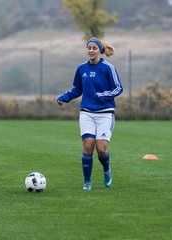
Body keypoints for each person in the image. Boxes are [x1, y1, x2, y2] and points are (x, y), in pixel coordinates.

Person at [57, 37, 123, 191]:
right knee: (88, 145)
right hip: (87, 112)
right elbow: (77, 89)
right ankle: (87, 183)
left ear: (100, 51)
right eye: (89, 48)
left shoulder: (108, 68)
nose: (91, 51)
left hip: (105, 113)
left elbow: (118, 88)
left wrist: (104, 95)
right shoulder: (81, 69)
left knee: (101, 149)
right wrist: (64, 97)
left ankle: (106, 170)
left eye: (94, 48)